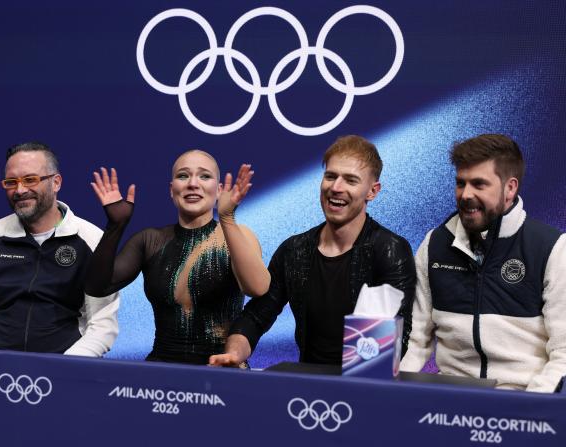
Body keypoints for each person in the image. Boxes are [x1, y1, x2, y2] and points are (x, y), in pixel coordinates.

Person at [210, 135, 416, 367]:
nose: (336, 188)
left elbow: (392, 340)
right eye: (330, 176)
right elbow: (256, 317)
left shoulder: (390, 250)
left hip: (364, 386)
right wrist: (234, 354)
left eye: (350, 180)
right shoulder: (294, 250)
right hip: (307, 391)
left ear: (372, 191)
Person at [400, 134, 566, 392]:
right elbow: (415, 338)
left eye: (479, 184)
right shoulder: (435, 243)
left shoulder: (552, 247)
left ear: (510, 188)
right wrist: (391, 392)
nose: (466, 195)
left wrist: (533, 405)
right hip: (450, 398)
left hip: (522, 400)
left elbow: (563, 351)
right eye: (460, 183)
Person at [84, 150, 270, 365]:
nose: (193, 183)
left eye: (204, 176)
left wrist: (227, 217)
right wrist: (115, 227)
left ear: (218, 190)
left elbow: (258, 288)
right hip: (162, 371)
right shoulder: (149, 240)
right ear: (172, 191)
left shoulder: (238, 234)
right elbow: (96, 288)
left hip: (222, 368)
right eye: (183, 176)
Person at [0, 142, 119, 356]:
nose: (20, 190)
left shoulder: (93, 241)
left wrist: (66, 370)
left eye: (30, 179)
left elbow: (102, 327)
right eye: (11, 182)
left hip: (65, 370)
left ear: (56, 183)